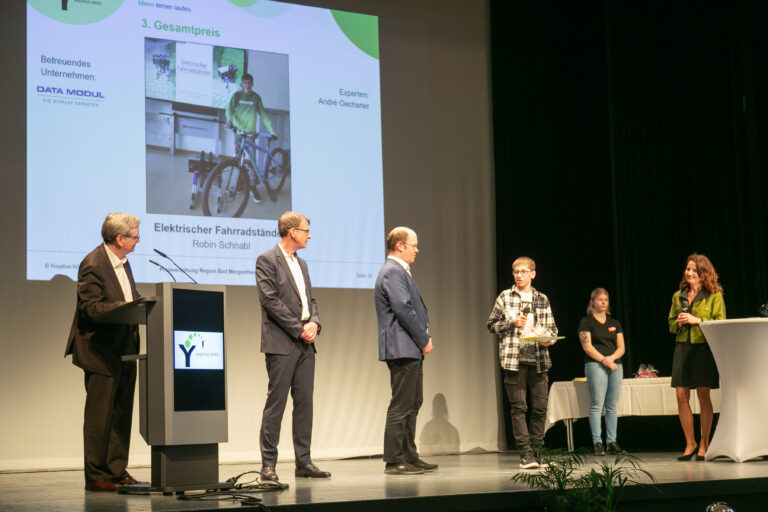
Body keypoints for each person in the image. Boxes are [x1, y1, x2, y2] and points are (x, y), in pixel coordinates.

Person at [64, 213, 143, 492]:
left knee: (121, 413)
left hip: (125, 348)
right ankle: (96, 475)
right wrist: (125, 307)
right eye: (135, 236)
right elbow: (90, 309)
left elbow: (126, 298)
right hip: (100, 350)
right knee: (100, 417)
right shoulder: (93, 264)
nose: (138, 241)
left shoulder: (123, 262)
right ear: (120, 239)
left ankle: (116, 471)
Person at [255, 212, 330, 481]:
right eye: (305, 230)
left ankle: (304, 461)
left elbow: (311, 301)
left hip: (305, 346)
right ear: (292, 232)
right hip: (281, 343)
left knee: (305, 404)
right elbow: (269, 300)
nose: (309, 235)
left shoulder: (303, 264)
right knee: (276, 404)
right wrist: (299, 328)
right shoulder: (267, 260)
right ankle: (268, 465)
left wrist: (314, 323)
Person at [374, 227, 438, 475]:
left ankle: (409, 455)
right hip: (403, 346)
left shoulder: (399, 271)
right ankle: (394, 460)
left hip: (410, 347)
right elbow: (403, 308)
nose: (417, 250)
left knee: (413, 402)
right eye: (414, 245)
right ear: (400, 246)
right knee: (401, 405)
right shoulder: (392, 271)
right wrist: (424, 339)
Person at [487, 256, 558, 469]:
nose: (519, 275)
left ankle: (539, 452)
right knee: (519, 408)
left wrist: (548, 339)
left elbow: (553, 330)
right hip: (514, 361)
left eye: (523, 272)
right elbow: (491, 325)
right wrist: (511, 323)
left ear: (533, 274)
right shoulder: (505, 297)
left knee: (540, 409)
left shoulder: (542, 299)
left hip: (538, 360)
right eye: (516, 272)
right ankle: (526, 455)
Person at [668, 253, 725, 461]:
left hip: (703, 348)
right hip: (682, 346)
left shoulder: (714, 295)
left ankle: (704, 442)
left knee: (703, 394)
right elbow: (670, 324)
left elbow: (720, 322)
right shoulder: (679, 296)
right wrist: (679, 322)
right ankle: (690, 443)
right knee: (681, 395)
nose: (688, 272)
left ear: (703, 274)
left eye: (693, 270)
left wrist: (697, 320)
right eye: (687, 269)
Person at [578, 288, 626, 456]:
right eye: (600, 299)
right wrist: (604, 360)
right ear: (592, 302)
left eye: (606, 299)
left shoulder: (614, 323)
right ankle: (597, 442)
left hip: (615, 365)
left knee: (612, 406)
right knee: (597, 405)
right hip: (596, 364)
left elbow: (621, 347)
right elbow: (587, 347)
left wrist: (611, 358)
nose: (603, 302)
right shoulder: (586, 322)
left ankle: (611, 442)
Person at [226, 72, 277, 203]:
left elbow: (263, 115)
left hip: (249, 135)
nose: (247, 85)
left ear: (252, 84)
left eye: (249, 83)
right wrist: (229, 119)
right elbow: (229, 109)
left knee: (252, 160)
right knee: (238, 159)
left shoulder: (256, 98)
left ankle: (253, 186)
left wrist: (272, 131)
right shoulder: (237, 96)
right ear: (242, 84)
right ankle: (239, 183)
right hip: (238, 133)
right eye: (245, 83)